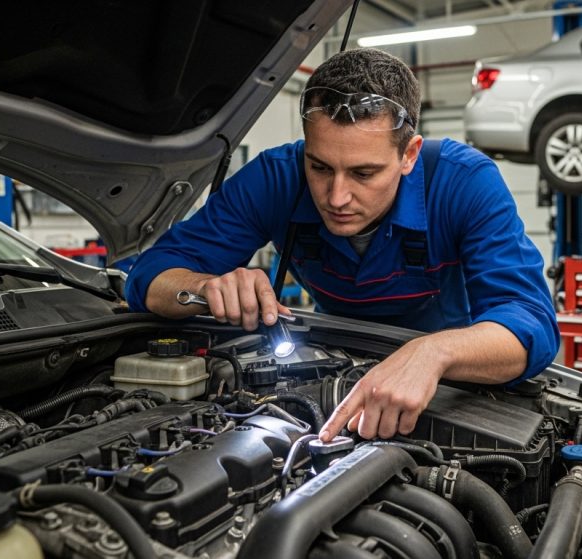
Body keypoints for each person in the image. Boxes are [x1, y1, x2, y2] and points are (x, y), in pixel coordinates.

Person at [126, 48, 558, 443]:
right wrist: (204, 287)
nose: (336, 197)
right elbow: (150, 273)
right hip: (332, 367)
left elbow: (531, 323)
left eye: (364, 173)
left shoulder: (464, 183)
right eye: (319, 167)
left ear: (409, 154)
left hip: (453, 379)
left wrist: (433, 352)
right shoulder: (276, 178)